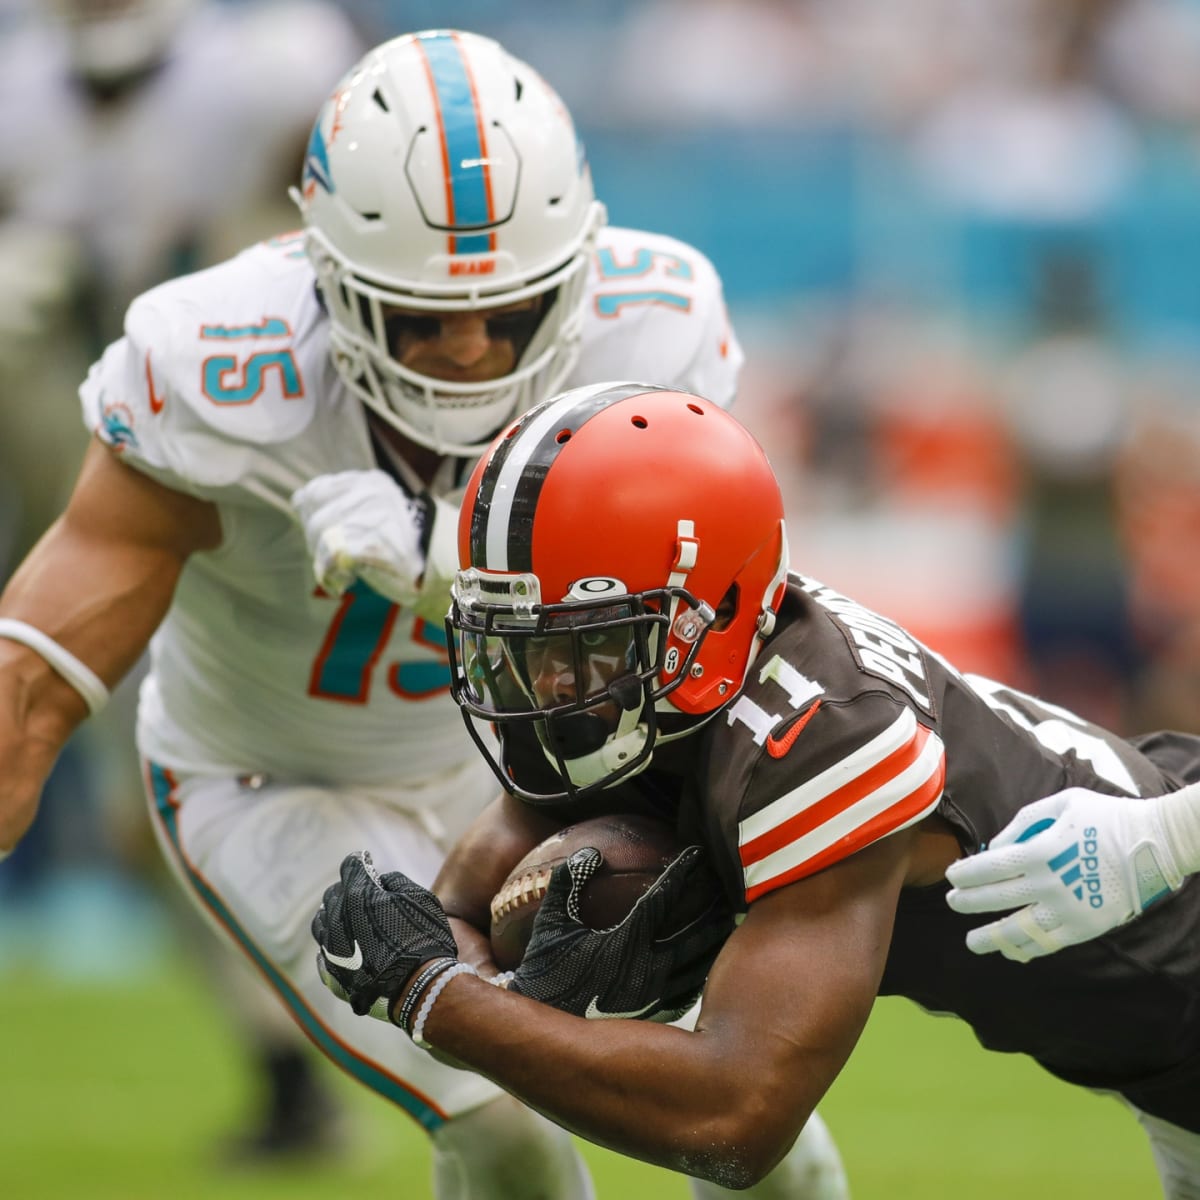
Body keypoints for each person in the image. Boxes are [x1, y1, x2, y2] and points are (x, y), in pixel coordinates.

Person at [0, 28, 848, 1200]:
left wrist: (452, 559)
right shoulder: (217, 355)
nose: (467, 348)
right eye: (421, 317)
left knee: (755, 1138)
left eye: (509, 312)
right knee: (502, 1120)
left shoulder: (648, 323)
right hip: (272, 781)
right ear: (325, 272)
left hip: (531, 781)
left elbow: (707, 601)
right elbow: (53, 635)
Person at [311, 382, 1200, 1199]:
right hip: (1160, 1058)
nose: (544, 687)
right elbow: (459, 912)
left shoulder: (821, 740)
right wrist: (462, 985)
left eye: (581, 645)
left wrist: (441, 999)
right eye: (525, 644)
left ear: (714, 612)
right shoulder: (678, 679)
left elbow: (732, 1121)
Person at [0, 0, 366, 1164]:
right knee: (144, 813)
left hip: (277, 485)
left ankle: (416, 1016)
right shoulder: (21, 88)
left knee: (337, 761)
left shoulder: (267, 65)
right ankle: (292, 1063)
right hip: (108, 487)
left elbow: (368, 205)